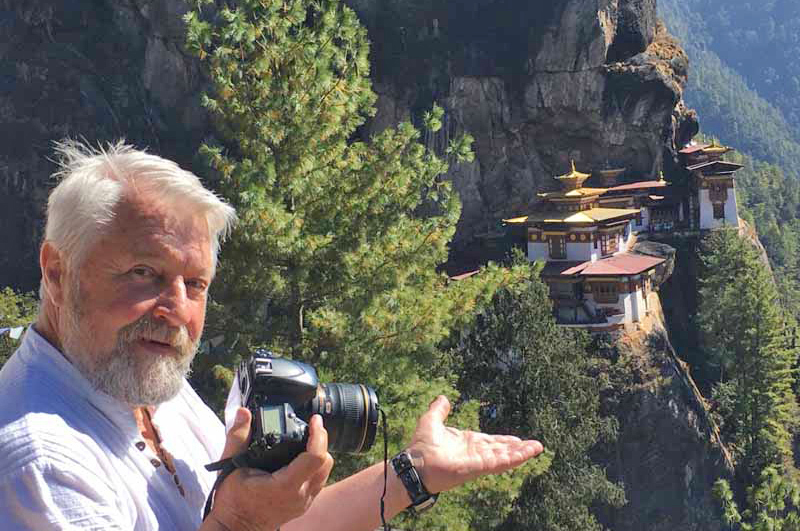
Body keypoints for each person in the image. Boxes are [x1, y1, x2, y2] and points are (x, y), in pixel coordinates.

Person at [0, 141, 544, 530]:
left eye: (196, 284)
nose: (177, 311)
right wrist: (237, 522)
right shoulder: (41, 466)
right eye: (144, 274)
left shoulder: (136, 377)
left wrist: (412, 472)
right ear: (57, 273)